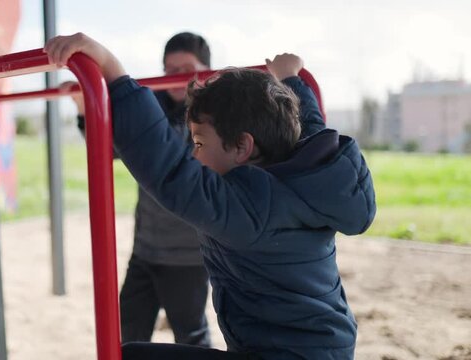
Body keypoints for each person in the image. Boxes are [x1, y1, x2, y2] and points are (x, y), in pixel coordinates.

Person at [45, 33, 376, 359]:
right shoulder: (305, 175)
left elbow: (170, 171)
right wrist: (292, 80)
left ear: (242, 147)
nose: (195, 155)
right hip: (314, 347)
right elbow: (312, 128)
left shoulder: (251, 208)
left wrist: (111, 71)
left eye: (199, 144)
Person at [62, 32, 213, 347]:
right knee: (127, 333)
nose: (176, 77)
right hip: (145, 249)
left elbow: (176, 158)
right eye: (169, 70)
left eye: (186, 68)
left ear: (206, 71)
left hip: (188, 255)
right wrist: (82, 107)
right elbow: (109, 147)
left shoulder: (213, 116)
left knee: (190, 335)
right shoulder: (153, 105)